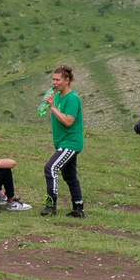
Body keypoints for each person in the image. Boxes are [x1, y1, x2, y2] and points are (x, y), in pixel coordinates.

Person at [40, 63, 84, 218]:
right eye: (53, 79)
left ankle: (51, 206)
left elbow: (68, 122)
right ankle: (78, 209)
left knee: (50, 168)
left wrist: (53, 108)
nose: (54, 83)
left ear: (67, 80)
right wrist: (47, 106)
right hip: (62, 142)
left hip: (71, 143)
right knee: (70, 176)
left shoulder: (73, 99)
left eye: (58, 80)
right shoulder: (57, 95)